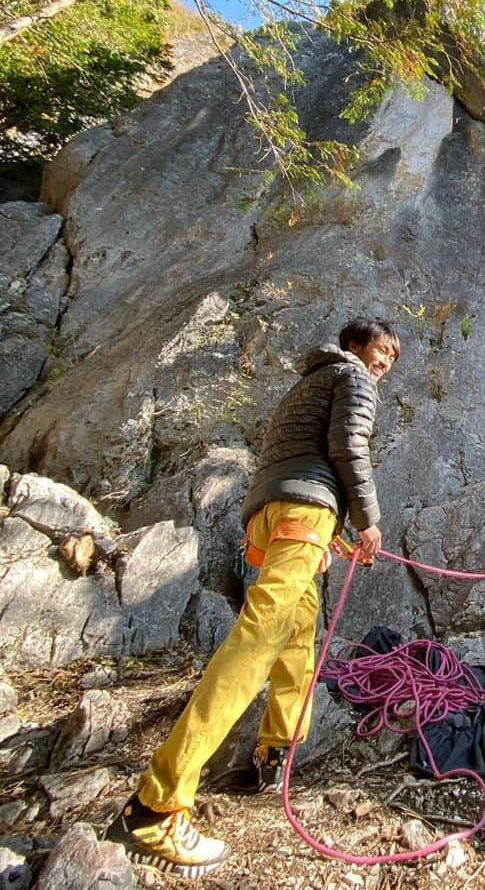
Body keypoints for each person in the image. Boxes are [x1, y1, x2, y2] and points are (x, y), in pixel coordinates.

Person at [105, 318, 400, 878]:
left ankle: (276, 751)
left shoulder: (306, 385)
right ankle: (158, 803)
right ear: (356, 346)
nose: (385, 363)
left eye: (391, 358)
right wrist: (367, 521)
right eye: (382, 350)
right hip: (303, 515)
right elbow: (347, 448)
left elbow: (301, 459)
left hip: (272, 517)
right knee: (259, 639)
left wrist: (329, 528)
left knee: (297, 633)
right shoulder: (354, 379)